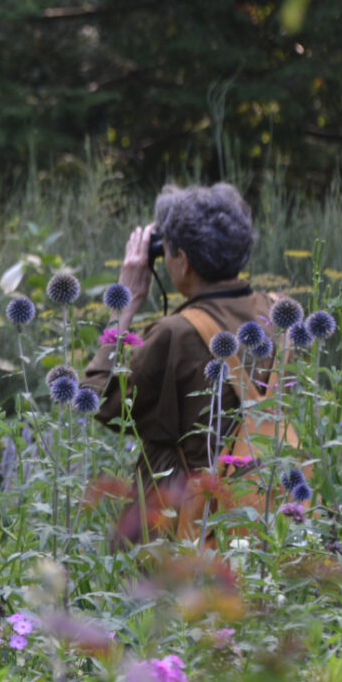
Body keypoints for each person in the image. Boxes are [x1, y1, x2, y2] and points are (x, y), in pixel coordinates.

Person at [82, 182, 275, 494]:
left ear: (183, 261)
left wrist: (124, 303)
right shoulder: (277, 313)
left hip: (185, 522)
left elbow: (100, 401)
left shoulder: (176, 334)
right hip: (263, 509)